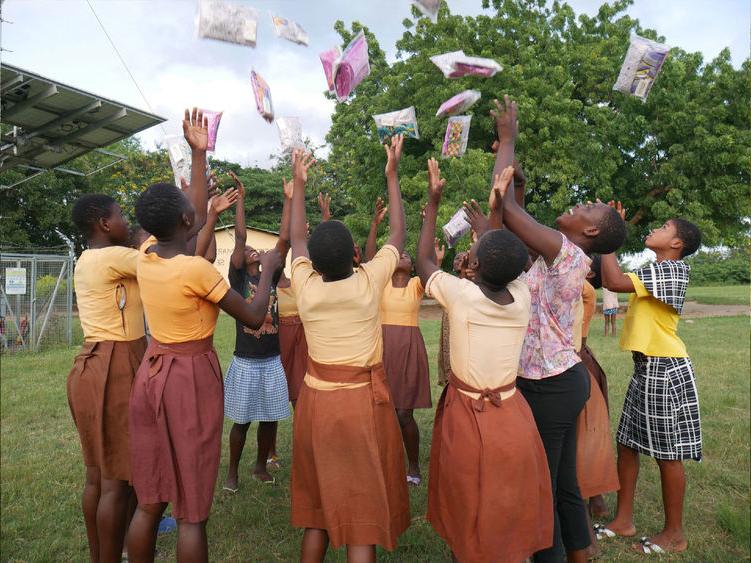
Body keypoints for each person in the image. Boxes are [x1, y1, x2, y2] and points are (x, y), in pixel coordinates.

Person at [126, 108, 282, 563]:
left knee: (151, 500)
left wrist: (199, 154)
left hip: (151, 374)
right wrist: (269, 269)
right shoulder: (196, 269)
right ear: (184, 221)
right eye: (190, 209)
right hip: (188, 379)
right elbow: (254, 316)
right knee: (192, 511)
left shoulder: (146, 255)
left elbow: (189, 220)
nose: (195, 208)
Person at [493, 95, 627, 562]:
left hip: (550, 386)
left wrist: (507, 141)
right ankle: (581, 553)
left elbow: (505, 212)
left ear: (590, 232)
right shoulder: (561, 255)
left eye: (588, 208)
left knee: (542, 488)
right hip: (563, 380)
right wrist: (518, 193)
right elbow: (516, 223)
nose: (581, 204)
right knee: (565, 483)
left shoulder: (567, 253)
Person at [418, 157, 554, 562]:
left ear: (472, 267)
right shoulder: (524, 297)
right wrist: (496, 214)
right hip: (513, 412)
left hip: (469, 411)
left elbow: (426, 259)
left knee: (467, 501)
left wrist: (433, 200)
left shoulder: (462, 296)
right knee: (507, 499)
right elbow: (506, 258)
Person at [288, 138, 410, 562]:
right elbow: (398, 233)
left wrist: (299, 184)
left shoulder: (303, 286)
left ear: (315, 264)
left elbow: (297, 239)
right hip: (361, 404)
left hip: (315, 403)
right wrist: (391, 173)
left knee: (318, 511)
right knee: (361, 516)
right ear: (356, 256)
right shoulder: (368, 282)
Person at [599, 214, 703, 556]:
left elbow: (613, 281)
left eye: (663, 228)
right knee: (627, 443)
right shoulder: (653, 268)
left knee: (667, 454)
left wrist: (609, 234)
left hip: (664, 367)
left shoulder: (671, 270)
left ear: (677, 243)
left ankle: (675, 533)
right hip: (646, 366)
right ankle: (624, 519)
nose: (654, 229)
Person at [67, 193, 147, 563]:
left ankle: (106, 553)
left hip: (90, 364)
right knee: (118, 480)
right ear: (103, 224)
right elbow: (173, 250)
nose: (126, 222)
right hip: (115, 365)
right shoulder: (115, 257)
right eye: (120, 216)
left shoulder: (87, 259)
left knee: (97, 476)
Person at [223, 172, 292, 489]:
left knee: (270, 417)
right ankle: (233, 471)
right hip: (247, 361)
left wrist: (290, 199)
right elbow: (238, 238)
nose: (252, 250)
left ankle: (260, 467)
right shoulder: (239, 280)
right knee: (242, 420)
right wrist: (242, 200)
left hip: (271, 359)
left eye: (255, 250)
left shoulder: (271, 278)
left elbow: (285, 240)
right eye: (248, 250)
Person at [364, 199, 432, 486]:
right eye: (398, 253)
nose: (403, 255)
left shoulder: (418, 285)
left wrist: (428, 221)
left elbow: (430, 262)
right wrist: (375, 225)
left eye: (407, 255)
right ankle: (382, 462)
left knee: (404, 412)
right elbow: (368, 262)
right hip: (382, 350)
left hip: (408, 351)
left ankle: (413, 465)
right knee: (381, 411)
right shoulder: (379, 286)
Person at [573, 259, 619, 559]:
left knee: (589, 431)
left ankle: (594, 491)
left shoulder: (585, 288)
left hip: (576, 358)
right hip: (553, 359)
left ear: (589, 273)